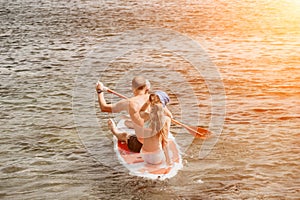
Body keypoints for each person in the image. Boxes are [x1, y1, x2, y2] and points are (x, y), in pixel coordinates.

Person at [96, 76, 150, 153]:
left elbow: (104, 107)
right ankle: (130, 123)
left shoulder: (128, 102)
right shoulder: (156, 98)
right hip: (158, 142)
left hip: (141, 146)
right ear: (147, 88)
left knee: (126, 136)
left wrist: (99, 91)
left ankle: (116, 132)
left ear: (133, 89)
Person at [139, 91, 173, 166]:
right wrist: (169, 161)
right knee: (165, 143)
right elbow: (165, 143)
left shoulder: (146, 116)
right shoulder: (166, 120)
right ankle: (167, 160)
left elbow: (141, 111)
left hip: (144, 155)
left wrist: (147, 102)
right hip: (156, 158)